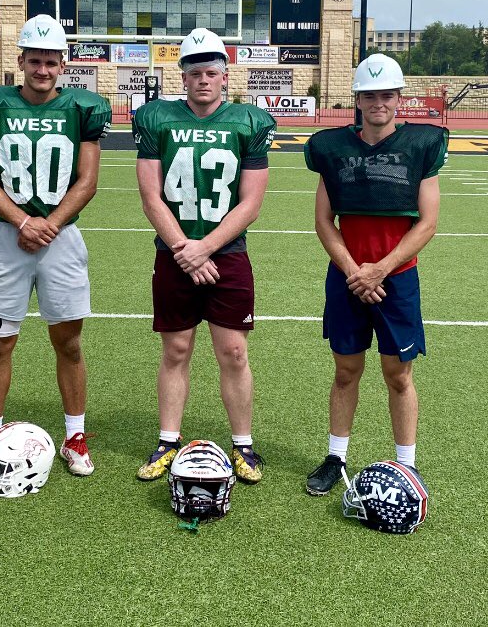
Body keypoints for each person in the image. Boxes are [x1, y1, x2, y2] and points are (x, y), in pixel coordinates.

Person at [0, 14, 111, 479]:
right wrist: (24, 221)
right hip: (9, 237)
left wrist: (49, 224)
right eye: (35, 61)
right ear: (21, 61)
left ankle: (75, 435)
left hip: (62, 239)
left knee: (69, 343)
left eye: (50, 62)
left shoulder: (82, 109)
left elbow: (87, 182)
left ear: (63, 64)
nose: (42, 70)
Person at [132, 27, 276, 485]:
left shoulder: (248, 122)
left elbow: (251, 203)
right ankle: (167, 440)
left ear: (224, 76)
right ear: (184, 77)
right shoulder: (158, 118)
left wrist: (204, 248)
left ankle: (243, 444)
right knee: (176, 349)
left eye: (211, 72)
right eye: (195, 73)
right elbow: (151, 197)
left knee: (233, 351)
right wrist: (184, 249)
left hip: (226, 254)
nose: (203, 80)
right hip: (174, 253)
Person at [303, 53, 447, 496]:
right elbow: (323, 220)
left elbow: (427, 223)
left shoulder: (420, 145)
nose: (378, 103)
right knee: (346, 370)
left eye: (386, 95)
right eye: (370, 96)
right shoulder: (333, 148)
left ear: (398, 98)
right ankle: (336, 457)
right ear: (358, 100)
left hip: (396, 278)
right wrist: (355, 272)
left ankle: (407, 464)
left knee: (398, 374)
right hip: (347, 277)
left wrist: (380, 270)